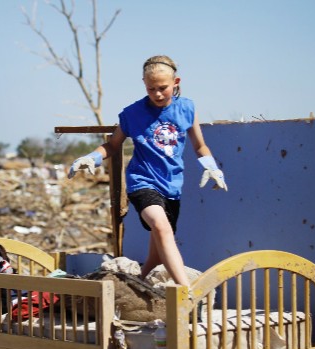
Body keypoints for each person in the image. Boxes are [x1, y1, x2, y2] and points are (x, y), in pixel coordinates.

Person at [67, 55, 227, 287]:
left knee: (157, 251)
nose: (158, 94)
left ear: (176, 82)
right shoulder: (132, 113)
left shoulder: (187, 108)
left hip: (171, 185)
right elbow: (113, 144)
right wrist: (92, 157)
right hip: (142, 181)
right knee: (161, 227)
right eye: (151, 89)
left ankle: (137, 283)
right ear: (144, 84)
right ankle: (186, 291)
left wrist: (211, 166)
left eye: (163, 88)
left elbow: (199, 145)